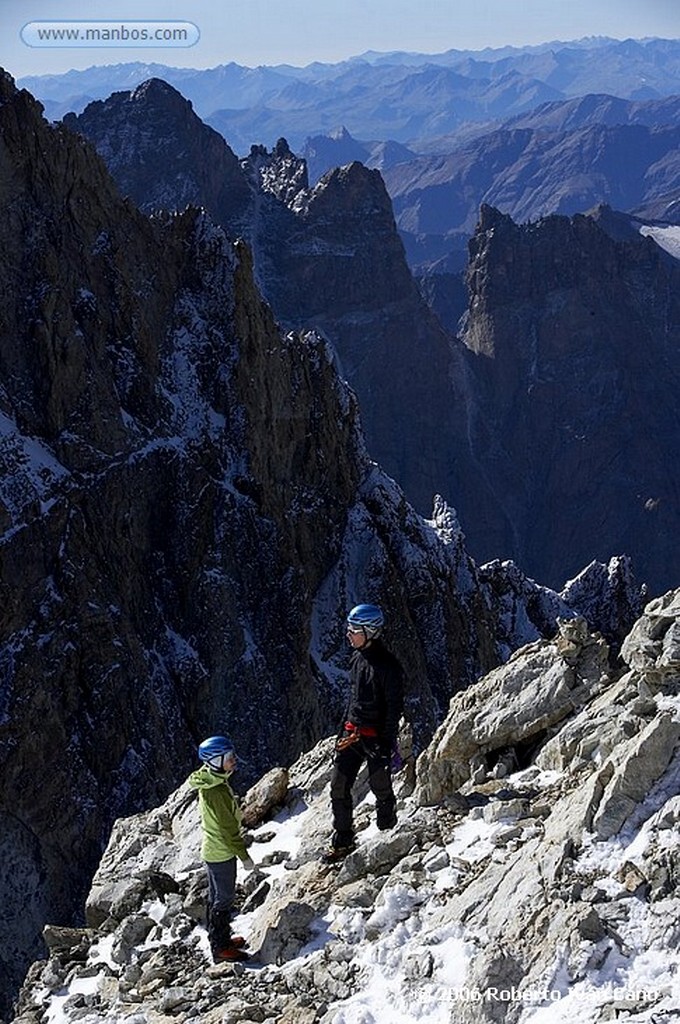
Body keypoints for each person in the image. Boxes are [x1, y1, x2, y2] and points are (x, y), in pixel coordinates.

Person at [323, 603, 404, 864]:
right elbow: (354, 699)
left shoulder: (389, 667)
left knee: (380, 786)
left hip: (375, 736)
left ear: (370, 631)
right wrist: (341, 732)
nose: (348, 634)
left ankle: (388, 833)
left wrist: (387, 741)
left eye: (354, 630)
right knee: (338, 785)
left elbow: (394, 707)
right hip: (353, 732)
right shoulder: (357, 659)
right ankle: (343, 838)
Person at [188, 735, 255, 962]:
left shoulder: (213, 780)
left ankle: (220, 939)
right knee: (224, 899)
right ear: (216, 761)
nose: (234, 760)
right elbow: (228, 830)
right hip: (221, 852)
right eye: (229, 757)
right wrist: (244, 856)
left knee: (217, 897)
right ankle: (220, 947)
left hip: (213, 850)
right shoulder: (215, 791)